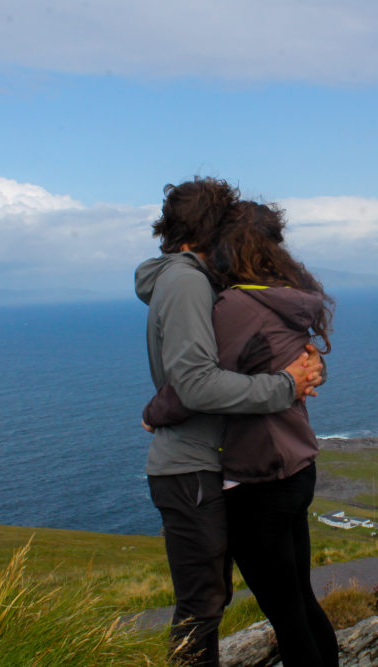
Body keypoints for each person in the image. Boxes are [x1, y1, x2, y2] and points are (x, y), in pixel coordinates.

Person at [135, 178, 323, 667]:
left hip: (226, 467)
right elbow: (198, 382)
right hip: (197, 467)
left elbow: (207, 376)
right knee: (207, 606)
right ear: (210, 228)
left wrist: (298, 374)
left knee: (242, 604)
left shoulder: (213, 287)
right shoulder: (189, 281)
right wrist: (290, 382)